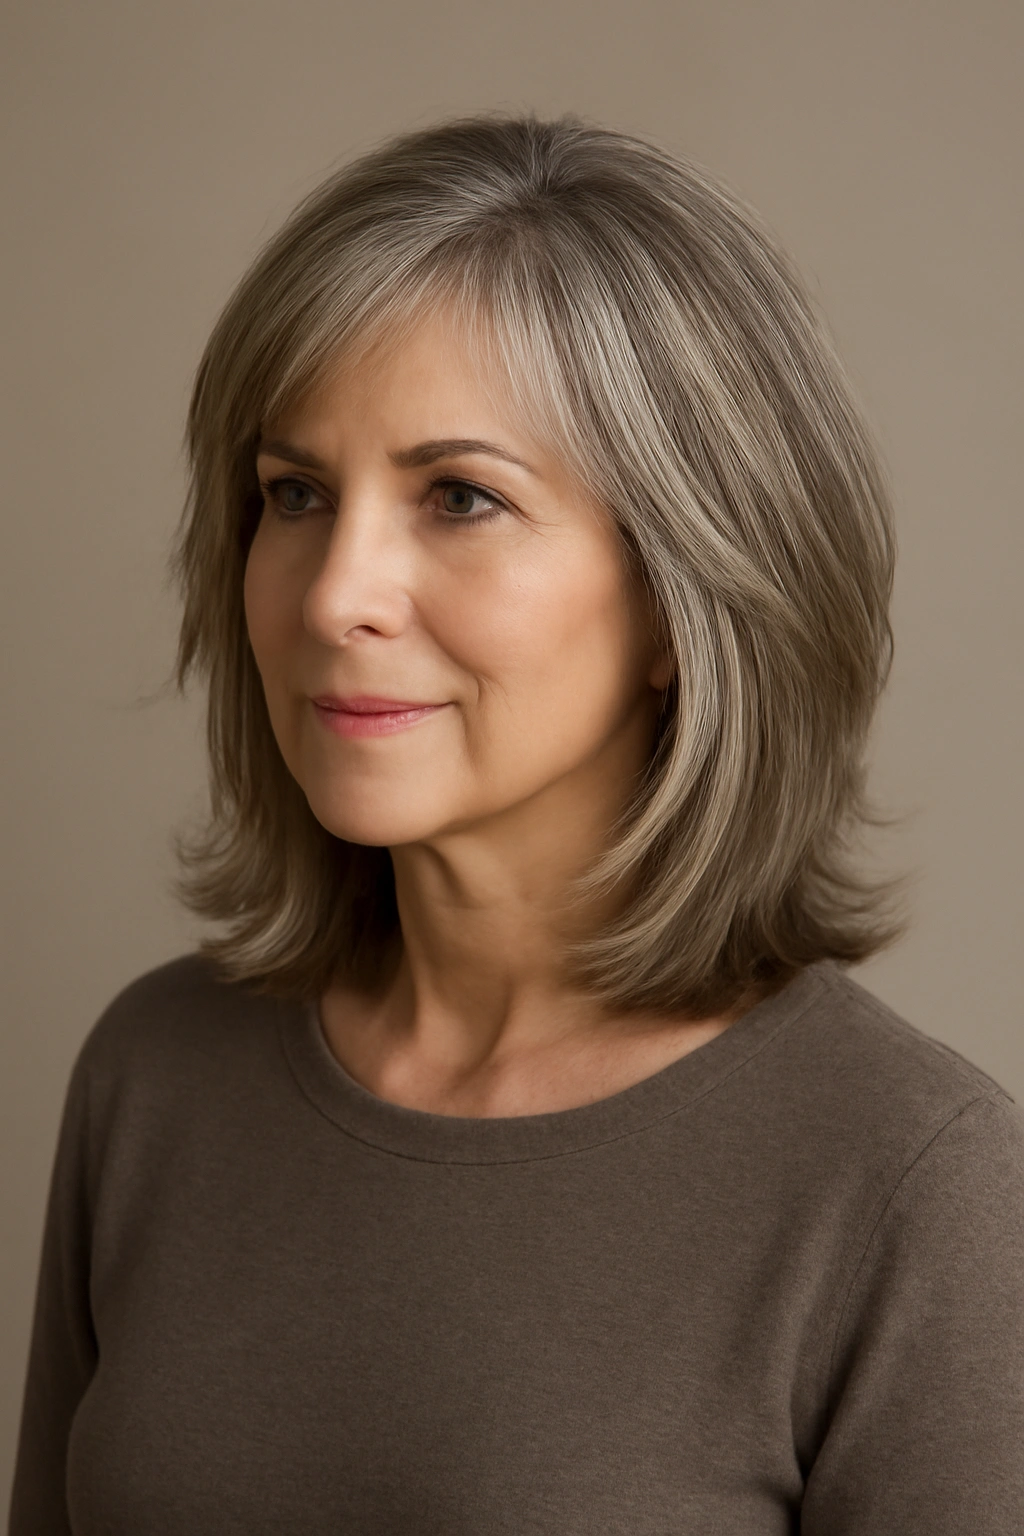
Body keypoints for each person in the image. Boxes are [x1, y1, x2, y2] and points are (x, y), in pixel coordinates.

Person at [9, 113, 1023, 1534]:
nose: (333, 595)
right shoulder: (155, 1071)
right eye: (296, 494)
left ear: (683, 596)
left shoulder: (915, 1184)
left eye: (460, 498)